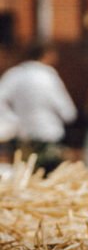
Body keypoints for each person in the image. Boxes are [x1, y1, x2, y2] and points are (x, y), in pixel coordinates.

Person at [0, 43, 77, 174]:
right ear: (46, 55)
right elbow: (68, 112)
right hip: (48, 137)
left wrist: (13, 120)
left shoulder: (14, 74)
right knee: (49, 177)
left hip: (23, 138)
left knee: (26, 176)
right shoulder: (48, 76)